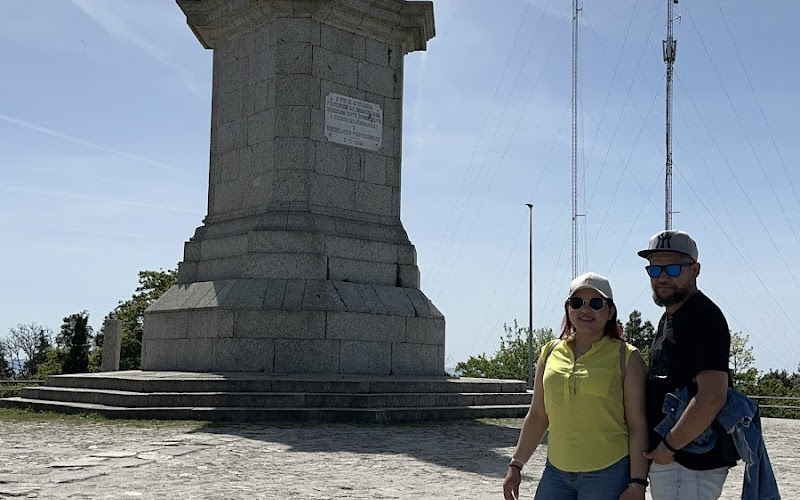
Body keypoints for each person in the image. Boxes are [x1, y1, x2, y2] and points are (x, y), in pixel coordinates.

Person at [503, 272, 649, 500]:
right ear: (568, 308)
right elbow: (538, 415)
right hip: (556, 472)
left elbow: (638, 424)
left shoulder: (627, 357)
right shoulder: (549, 352)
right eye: (577, 302)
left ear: (610, 311)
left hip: (608, 473)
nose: (585, 310)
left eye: (596, 303)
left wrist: (638, 483)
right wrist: (516, 465)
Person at [638, 229, 738, 499]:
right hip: (678, 460)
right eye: (654, 270)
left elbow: (713, 395)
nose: (662, 277)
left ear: (695, 270)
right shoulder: (671, 316)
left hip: (690, 461)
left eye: (672, 268)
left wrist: (668, 447)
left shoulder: (702, 316)